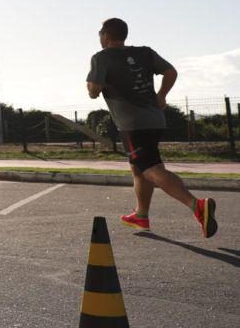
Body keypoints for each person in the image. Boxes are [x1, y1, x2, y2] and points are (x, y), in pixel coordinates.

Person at [86, 17, 217, 238]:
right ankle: (141, 215)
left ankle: (197, 206)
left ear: (106, 35)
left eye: (100, 33)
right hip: (155, 119)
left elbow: (94, 90)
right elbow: (171, 72)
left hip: (132, 125)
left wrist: (92, 86)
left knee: (150, 169)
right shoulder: (145, 52)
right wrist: (161, 95)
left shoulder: (101, 57)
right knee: (139, 170)